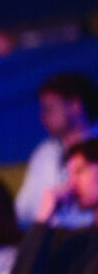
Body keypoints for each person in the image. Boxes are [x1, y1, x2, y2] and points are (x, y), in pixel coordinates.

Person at [8, 137, 98, 274]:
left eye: (80, 171)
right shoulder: (73, 239)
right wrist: (42, 220)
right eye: (69, 174)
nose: (70, 184)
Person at [15, 73, 98, 229]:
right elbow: (23, 212)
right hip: (48, 240)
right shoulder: (44, 153)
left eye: (49, 109)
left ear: (75, 106)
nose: (43, 118)